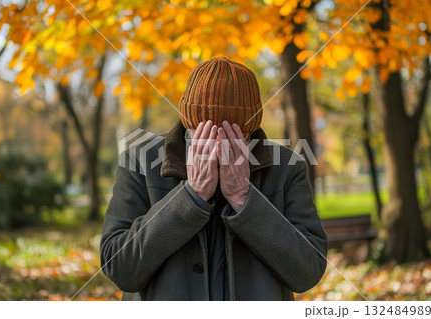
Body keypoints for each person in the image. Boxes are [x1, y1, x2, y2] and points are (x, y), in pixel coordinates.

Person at [100, 57, 328, 301]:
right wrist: (190, 197)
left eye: (234, 135)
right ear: (188, 123)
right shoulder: (140, 162)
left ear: (251, 129)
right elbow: (119, 268)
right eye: (206, 134)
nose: (219, 147)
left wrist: (245, 199)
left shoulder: (287, 168)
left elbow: (307, 273)